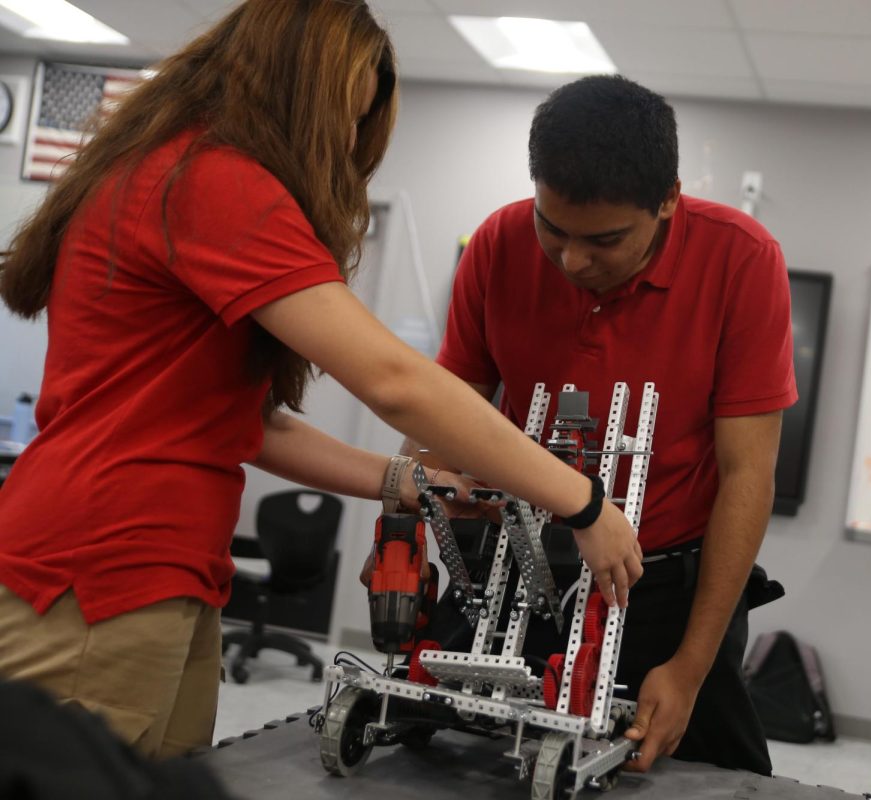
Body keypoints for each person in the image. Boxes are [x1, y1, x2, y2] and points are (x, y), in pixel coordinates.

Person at [0, 0, 641, 761]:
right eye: (344, 115)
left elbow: (249, 423)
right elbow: (393, 380)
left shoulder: (165, 169)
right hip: (101, 569)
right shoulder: (210, 181)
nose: (345, 141)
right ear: (294, 91)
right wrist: (580, 500)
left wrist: (408, 480)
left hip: (157, 571)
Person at [404, 75, 797, 775]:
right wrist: (425, 502)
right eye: (552, 229)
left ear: (668, 199)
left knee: (711, 775)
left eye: (605, 240)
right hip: (518, 568)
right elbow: (444, 412)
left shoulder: (742, 259)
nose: (573, 261)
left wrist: (690, 666)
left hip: (661, 590)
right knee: (448, 761)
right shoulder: (498, 243)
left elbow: (748, 475)